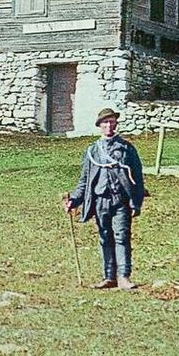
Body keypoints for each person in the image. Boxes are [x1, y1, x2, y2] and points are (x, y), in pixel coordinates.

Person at [65, 106, 147, 290]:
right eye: (105, 122)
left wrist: (137, 202)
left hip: (121, 200)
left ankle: (123, 277)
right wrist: (74, 199)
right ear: (99, 125)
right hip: (100, 201)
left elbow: (138, 177)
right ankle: (109, 277)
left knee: (122, 237)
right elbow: (85, 180)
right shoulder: (92, 151)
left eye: (111, 122)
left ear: (116, 124)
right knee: (105, 237)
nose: (109, 125)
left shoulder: (127, 149)